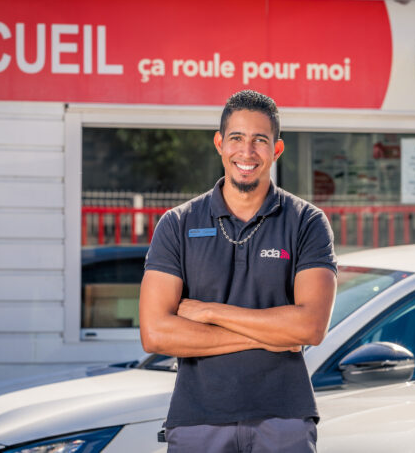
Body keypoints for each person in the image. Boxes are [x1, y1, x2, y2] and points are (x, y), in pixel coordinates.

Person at [139, 90, 337, 452]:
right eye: (237, 138)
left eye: (260, 140)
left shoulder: (307, 222)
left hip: (285, 419)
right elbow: (155, 334)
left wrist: (209, 312)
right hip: (198, 419)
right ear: (219, 144)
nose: (247, 152)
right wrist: (272, 336)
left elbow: (310, 327)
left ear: (277, 149)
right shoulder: (177, 224)